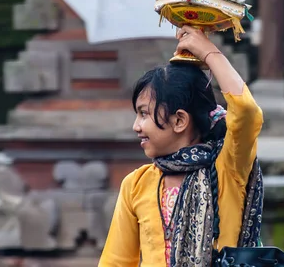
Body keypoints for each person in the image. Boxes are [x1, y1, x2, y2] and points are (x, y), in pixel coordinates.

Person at [99, 25, 264, 267]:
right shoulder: (136, 184)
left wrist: (209, 52)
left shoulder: (227, 169)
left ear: (179, 121)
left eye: (144, 114)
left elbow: (247, 112)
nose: (136, 126)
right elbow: (115, 262)